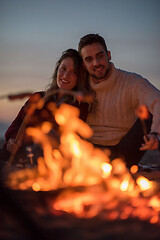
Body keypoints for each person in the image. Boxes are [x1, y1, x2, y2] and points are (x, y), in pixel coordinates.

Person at [78, 33, 160, 167]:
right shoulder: (80, 85)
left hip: (125, 151)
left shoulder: (132, 82)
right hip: (89, 153)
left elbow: (158, 100)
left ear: (108, 55)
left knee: (150, 112)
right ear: (83, 64)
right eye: (89, 59)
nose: (96, 63)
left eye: (100, 56)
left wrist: (155, 133)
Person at [0, 49, 89, 163]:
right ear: (57, 70)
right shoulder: (38, 98)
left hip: (43, 165)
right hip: (13, 157)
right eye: (63, 69)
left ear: (79, 78)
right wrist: (12, 141)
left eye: (74, 72)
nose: (66, 75)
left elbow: (64, 140)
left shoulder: (78, 106)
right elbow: (15, 126)